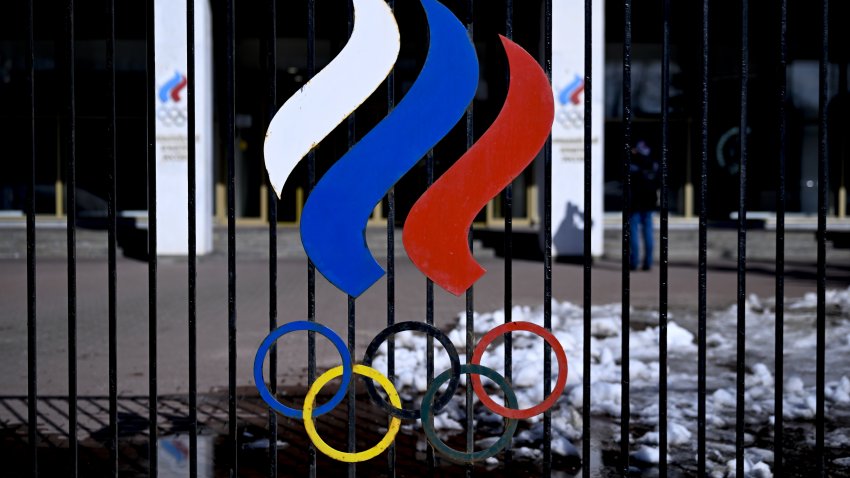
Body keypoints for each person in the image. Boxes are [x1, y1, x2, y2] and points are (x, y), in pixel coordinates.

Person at [629, 140, 660, 271]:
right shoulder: (653, 163)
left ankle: (634, 261)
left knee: (634, 232)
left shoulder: (634, 162)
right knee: (648, 232)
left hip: (635, 201)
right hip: (649, 201)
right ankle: (648, 262)